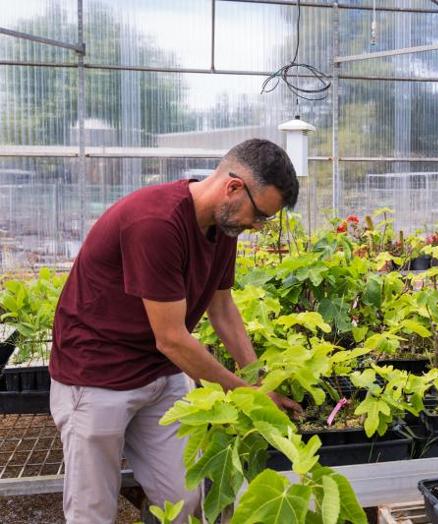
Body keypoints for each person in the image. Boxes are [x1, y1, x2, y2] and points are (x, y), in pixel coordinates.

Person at [48, 138, 303, 523]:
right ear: (233, 188)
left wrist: (259, 380)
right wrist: (245, 391)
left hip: (159, 373)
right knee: (92, 509)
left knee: (182, 498)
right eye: (261, 215)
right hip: (96, 374)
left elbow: (223, 309)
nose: (257, 226)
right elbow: (171, 337)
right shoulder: (157, 222)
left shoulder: (223, 226)